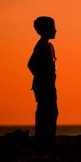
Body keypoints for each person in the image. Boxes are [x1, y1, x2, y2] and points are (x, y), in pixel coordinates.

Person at [28, 16, 59, 145]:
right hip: (44, 85)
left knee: (52, 111)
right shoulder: (41, 46)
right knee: (45, 111)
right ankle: (43, 138)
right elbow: (31, 64)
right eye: (52, 28)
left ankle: (48, 138)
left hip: (49, 84)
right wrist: (42, 77)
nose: (56, 30)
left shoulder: (49, 46)